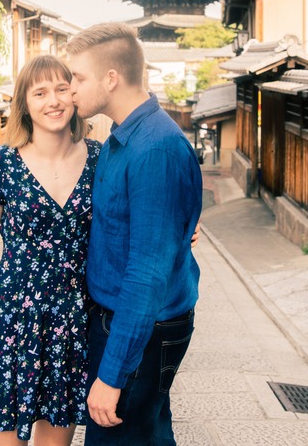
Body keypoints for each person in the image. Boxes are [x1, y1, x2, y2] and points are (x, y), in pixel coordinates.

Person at [64, 23, 203, 445]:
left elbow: (147, 274)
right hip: (123, 323)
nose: (71, 89)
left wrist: (112, 374)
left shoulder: (154, 148)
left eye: (79, 77)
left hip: (140, 330)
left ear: (111, 78)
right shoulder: (122, 140)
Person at [0, 54, 100, 445]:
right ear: (24, 103)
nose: (53, 101)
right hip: (8, 322)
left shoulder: (101, 160)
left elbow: (135, 218)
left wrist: (182, 228)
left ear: (74, 95)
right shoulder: (2, 164)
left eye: (61, 89)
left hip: (70, 324)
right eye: (40, 92)